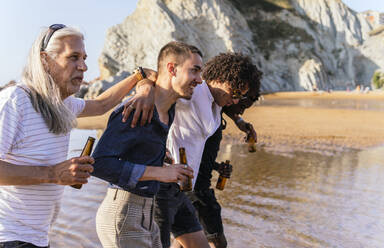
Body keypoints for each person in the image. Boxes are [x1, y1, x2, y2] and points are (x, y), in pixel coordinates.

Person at [0, 24, 156, 248]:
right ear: (45, 60)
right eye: (73, 57)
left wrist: (140, 78)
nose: (83, 66)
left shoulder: (63, 105)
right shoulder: (16, 100)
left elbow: (103, 104)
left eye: (84, 58)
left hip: (37, 238)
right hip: (8, 237)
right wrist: (53, 173)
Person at [91, 41, 204, 248]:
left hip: (147, 215)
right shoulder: (134, 109)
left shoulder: (168, 112)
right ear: (172, 68)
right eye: (194, 71)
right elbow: (98, 163)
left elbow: (135, 153)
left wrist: (162, 161)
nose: (199, 80)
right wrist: (159, 173)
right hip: (122, 214)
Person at [155, 52, 261, 248]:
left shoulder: (217, 102)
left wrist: (239, 121)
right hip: (168, 185)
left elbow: (227, 102)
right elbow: (158, 81)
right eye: (236, 94)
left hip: (187, 186)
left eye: (241, 96)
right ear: (220, 79)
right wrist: (143, 88)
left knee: (189, 242)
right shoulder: (193, 90)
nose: (237, 101)